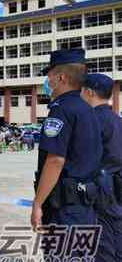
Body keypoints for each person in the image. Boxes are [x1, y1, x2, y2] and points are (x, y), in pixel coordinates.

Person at [31, 49, 103, 259]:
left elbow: (55, 160)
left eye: (49, 75)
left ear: (60, 77)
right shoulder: (86, 109)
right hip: (85, 207)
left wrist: (37, 204)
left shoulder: (61, 109)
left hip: (65, 210)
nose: (47, 80)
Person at [80, 74, 122, 261]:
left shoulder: (88, 121)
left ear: (89, 92)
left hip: (99, 190)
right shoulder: (117, 119)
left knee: (100, 243)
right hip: (117, 187)